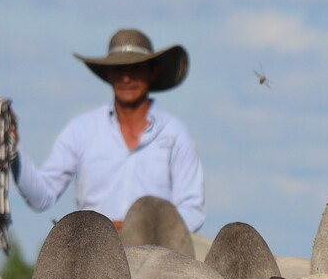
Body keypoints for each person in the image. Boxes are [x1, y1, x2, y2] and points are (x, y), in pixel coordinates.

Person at [13, 28, 206, 230]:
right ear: (108, 73)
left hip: (157, 253)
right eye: (119, 68)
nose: (126, 78)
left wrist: (140, 228)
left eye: (135, 68)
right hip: (93, 249)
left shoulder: (175, 133)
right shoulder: (81, 130)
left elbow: (193, 210)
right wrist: (13, 150)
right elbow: (42, 197)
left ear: (152, 72)